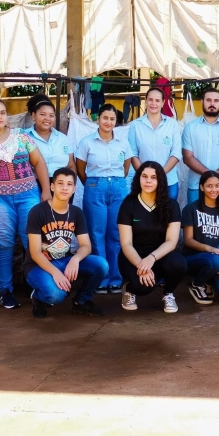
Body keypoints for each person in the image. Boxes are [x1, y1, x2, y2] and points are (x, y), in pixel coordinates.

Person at [0, 99, 51, 310]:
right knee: (3, 244)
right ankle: (6, 291)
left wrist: (45, 190)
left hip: (28, 195)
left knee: (33, 243)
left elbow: (39, 162)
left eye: (3, 112)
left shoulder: (21, 136)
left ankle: (39, 287)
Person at [25, 167, 108, 318]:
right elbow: (35, 253)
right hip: (38, 265)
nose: (65, 188)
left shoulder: (76, 212)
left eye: (69, 184)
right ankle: (38, 297)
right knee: (55, 296)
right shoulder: (37, 212)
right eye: (60, 183)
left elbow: (86, 246)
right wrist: (56, 273)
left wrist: (75, 259)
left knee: (101, 265)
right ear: (52, 186)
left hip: (64, 259)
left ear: (74, 188)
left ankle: (82, 302)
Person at [76, 104, 133, 294]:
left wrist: (115, 183)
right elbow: (81, 169)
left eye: (112, 119)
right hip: (94, 187)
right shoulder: (87, 142)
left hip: (118, 188)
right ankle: (101, 278)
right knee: (96, 233)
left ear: (116, 122)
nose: (108, 122)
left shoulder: (123, 143)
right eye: (105, 118)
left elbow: (126, 167)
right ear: (98, 119)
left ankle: (115, 278)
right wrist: (95, 184)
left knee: (116, 233)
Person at [117, 161, 187, 313]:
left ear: (160, 181)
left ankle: (168, 293)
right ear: (138, 179)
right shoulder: (129, 204)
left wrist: (151, 258)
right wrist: (142, 265)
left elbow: (171, 241)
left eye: (153, 177)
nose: (148, 181)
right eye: (144, 176)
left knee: (179, 264)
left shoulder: (171, 205)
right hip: (133, 256)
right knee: (144, 286)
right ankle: (128, 289)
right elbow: (126, 243)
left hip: (159, 255)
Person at [182, 87, 219, 212]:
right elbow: (187, 157)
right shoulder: (190, 128)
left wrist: (214, 178)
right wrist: (210, 175)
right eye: (208, 100)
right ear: (202, 101)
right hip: (196, 186)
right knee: (195, 224)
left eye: (216, 100)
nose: (212, 104)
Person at [181, 171, 219, 304]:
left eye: (217, 186)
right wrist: (210, 249)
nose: (214, 189)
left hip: (215, 259)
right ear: (201, 187)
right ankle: (196, 284)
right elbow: (188, 240)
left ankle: (207, 281)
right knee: (215, 261)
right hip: (193, 258)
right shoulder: (190, 209)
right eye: (209, 186)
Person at [128, 87, 183, 200]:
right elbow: (132, 154)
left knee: (167, 216)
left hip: (169, 182)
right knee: (145, 216)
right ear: (146, 101)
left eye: (157, 100)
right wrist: (147, 176)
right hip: (144, 183)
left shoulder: (172, 124)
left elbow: (176, 153)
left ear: (163, 103)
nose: (153, 103)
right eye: (150, 100)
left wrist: (159, 175)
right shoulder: (135, 125)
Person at [25, 94, 76, 177]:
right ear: (34, 116)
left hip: (60, 187)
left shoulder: (63, 139)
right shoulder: (24, 137)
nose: (47, 118)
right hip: (33, 187)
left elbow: (71, 165)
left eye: (51, 115)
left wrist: (71, 186)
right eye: (42, 114)